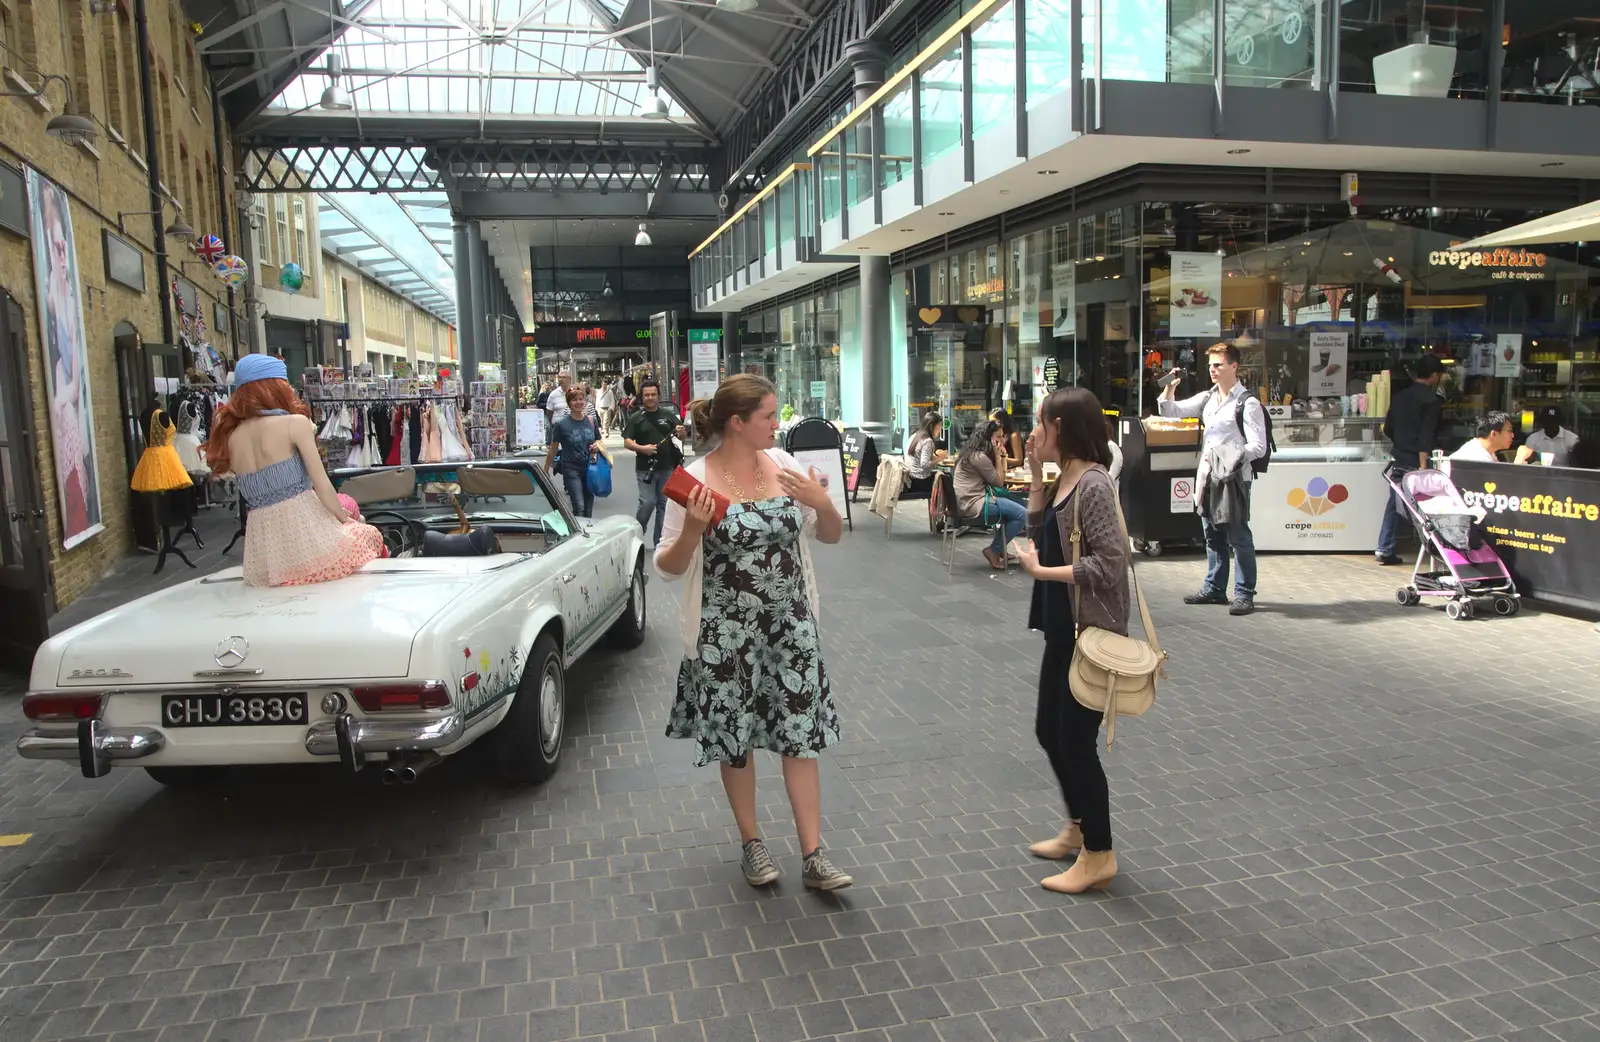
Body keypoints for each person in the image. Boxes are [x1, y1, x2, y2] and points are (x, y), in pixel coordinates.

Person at [655, 374, 852, 891]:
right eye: (768, 415)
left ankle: (813, 854)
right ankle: (753, 843)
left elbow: (829, 536)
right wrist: (695, 530)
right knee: (735, 741)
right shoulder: (694, 479)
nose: (777, 423)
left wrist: (823, 501)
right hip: (724, 635)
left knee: (800, 738)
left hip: (790, 627)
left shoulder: (786, 467)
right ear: (737, 423)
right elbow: (668, 566)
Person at [1016, 387, 1130, 894]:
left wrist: (1045, 571)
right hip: (1062, 626)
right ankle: (1079, 826)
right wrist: (1038, 479)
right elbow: (1039, 530)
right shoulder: (1066, 477)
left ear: (1061, 426)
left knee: (1076, 743)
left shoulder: (1095, 485)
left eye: (1041, 423)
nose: (1034, 432)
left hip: (1091, 630)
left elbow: (1111, 563)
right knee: (1049, 731)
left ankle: (1099, 853)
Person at [205, 354, 383, 587]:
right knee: (371, 536)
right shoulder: (294, 424)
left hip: (264, 562)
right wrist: (347, 519)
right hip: (308, 546)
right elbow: (322, 485)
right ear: (274, 387)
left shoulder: (231, 437)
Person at [1159, 343, 1267, 616]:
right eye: (1210, 365)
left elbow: (1259, 446)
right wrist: (1169, 388)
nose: (1213, 369)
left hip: (1233, 478)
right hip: (1208, 475)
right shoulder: (1208, 398)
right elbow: (1171, 412)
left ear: (1234, 367)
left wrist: (1231, 457)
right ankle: (1215, 587)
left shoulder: (1247, 403)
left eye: (1218, 364)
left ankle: (1244, 593)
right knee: (1211, 533)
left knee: (1238, 534)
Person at [1376, 355, 1444, 565]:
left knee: (1394, 503)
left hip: (1398, 457)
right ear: (1435, 375)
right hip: (1415, 460)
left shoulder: (1400, 396)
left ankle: (1384, 547)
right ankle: (1433, 550)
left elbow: (1388, 428)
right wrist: (1424, 466)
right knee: (1424, 506)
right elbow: (1426, 436)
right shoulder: (1431, 401)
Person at [953, 420, 1026, 570]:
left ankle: (999, 548)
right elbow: (999, 481)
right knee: (1022, 514)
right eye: (998, 437)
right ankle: (993, 550)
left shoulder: (973, 454)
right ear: (989, 439)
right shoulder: (979, 457)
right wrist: (999, 458)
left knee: (1020, 506)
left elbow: (1000, 476)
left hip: (970, 500)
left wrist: (1003, 456)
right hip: (974, 503)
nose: (1002, 440)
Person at [624, 378, 686, 545]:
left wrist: (681, 432)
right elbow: (627, 441)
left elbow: (682, 436)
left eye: (653, 394)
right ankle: (638, 531)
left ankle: (660, 541)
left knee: (663, 505)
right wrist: (642, 448)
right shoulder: (637, 418)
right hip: (645, 468)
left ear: (658, 396)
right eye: (646, 395)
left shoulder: (668, 415)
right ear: (642, 398)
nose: (650, 398)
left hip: (667, 467)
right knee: (648, 502)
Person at [544, 385, 607, 518]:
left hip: (590, 469)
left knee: (588, 509)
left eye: (581, 399)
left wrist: (597, 445)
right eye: (574, 400)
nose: (578, 402)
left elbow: (599, 441)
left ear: (585, 401)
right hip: (571, 469)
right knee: (579, 506)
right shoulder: (561, 425)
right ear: (569, 403)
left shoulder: (591, 420)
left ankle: (585, 534)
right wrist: (545, 471)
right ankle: (578, 535)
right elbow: (553, 448)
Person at [1450, 412, 1533, 464]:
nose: (1513, 435)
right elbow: (1503, 486)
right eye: (1509, 431)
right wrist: (1519, 459)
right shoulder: (1477, 456)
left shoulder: (1486, 451)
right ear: (1493, 434)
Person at [903, 410, 947, 500]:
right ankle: (950, 510)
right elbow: (924, 464)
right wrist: (941, 458)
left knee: (945, 477)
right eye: (939, 427)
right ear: (931, 426)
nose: (939, 431)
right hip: (920, 481)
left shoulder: (915, 435)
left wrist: (935, 457)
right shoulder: (927, 441)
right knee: (947, 480)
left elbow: (918, 457)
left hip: (910, 478)